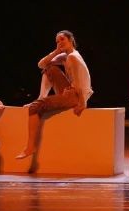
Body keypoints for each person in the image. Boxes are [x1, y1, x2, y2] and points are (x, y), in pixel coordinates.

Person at [15, 30, 92, 160]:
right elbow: (41, 64)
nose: (59, 42)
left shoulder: (73, 56)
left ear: (71, 40)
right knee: (49, 68)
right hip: (71, 91)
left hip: (77, 95)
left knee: (34, 107)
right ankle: (41, 98)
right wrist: (56, 52)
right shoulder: (66, 56)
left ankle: (30, 147)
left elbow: (79, 83)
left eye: (62, 39)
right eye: (57, 41)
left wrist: (82, 103)